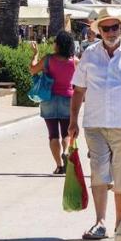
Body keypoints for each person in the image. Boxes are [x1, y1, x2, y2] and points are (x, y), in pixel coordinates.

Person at [68, 15, 121, 240]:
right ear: (99, 31)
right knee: (98, 172)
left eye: (114, 27)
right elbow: (78, 90)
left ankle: (120, 222)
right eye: (105, 28)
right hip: (95, 124)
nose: (110, 32)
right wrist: (73, 121)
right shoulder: (89, 54)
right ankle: (100, 222)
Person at [30, 31, 78, 174]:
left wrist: (35, 55)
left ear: (58, 44)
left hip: (49, 98)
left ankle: (59, 166)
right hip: (68, 99)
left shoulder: (48, 59)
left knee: (53, 134)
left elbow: (32, 70)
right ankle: (65, 151)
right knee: (66, 133)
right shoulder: (75, 61)